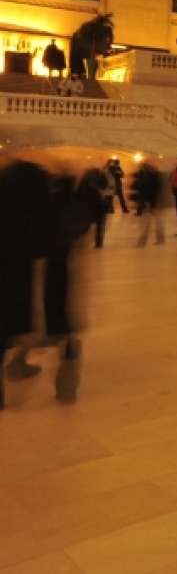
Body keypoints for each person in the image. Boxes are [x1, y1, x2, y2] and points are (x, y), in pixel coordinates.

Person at [0, 162, 54, 410]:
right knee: (16, 325)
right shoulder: (33, 205)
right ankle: (17, 365)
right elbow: (43, 242)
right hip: (18, 270)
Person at [132, 161, 166, 246]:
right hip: (156, 201)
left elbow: (141, 187)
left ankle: (142, 242)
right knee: (158, 221)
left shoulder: (144, 176)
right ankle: (160, 239)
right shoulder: (156, 175)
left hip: (149, 201)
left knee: (146, 222)